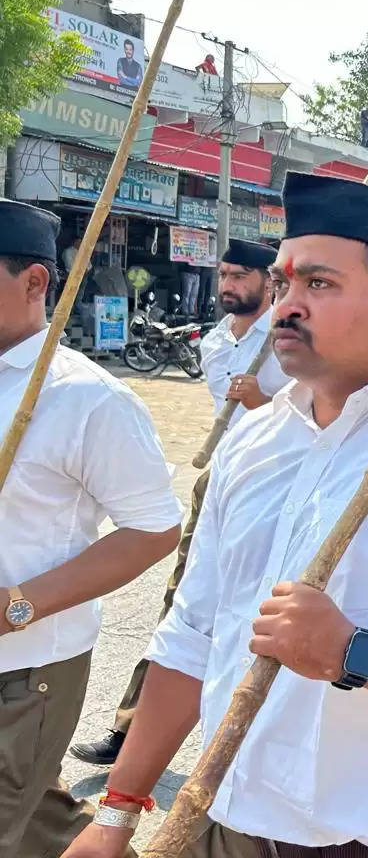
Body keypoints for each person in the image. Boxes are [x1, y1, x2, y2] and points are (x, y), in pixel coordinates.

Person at [62, 173, 368, 858]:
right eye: (284, 284)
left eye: (319, 285)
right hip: (225, 813)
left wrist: (352, 651)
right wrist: (117, 812)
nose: (286, 306)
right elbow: (193, 633)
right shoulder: (251, 444)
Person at [0, 200, 182, 855]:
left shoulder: (86, 397)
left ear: (35, 283)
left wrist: (19, 606)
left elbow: (155, 528)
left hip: (25, 669)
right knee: (41, 823)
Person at [71, 239, 290, 768]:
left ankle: (258, 747)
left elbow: (326, 410)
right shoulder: (216, 343)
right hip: (221, 483)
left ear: (269, 282)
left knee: (272, 616)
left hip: (285, 487)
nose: (229, 285)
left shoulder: (289, 339)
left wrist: (267, 402)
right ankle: (132, 731)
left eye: (241, 275)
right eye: (224, 274)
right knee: (185, 604)